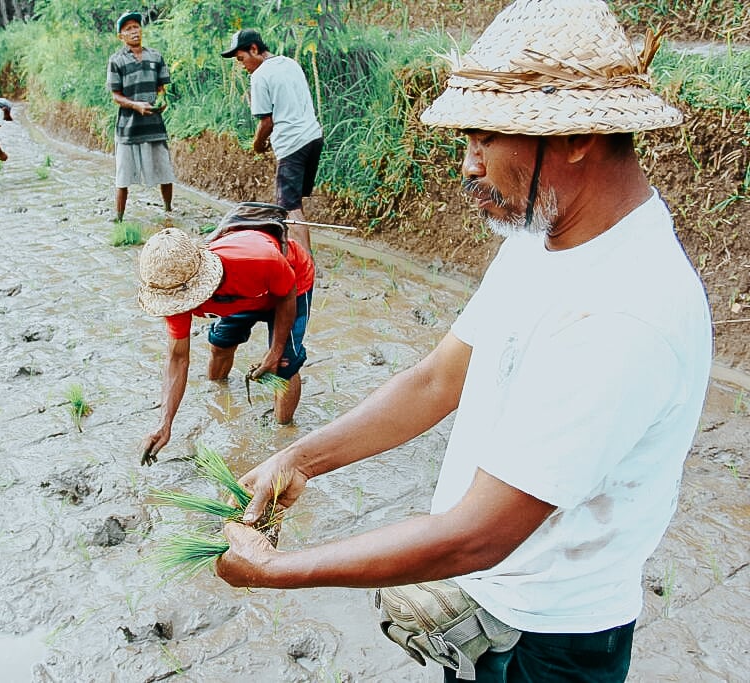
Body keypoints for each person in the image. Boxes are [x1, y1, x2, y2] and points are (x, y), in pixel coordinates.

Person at [213, 1, 713, 681]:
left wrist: (276, 570)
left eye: (484, 138)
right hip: (483, 604)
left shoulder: (627, 311)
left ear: (575, 137)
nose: (467, 165)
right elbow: (438, 379)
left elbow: (479, 531)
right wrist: (301, 458)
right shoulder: (546, 232)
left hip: (550, 641)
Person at [137, 204, 315, 465]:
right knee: (220, 345)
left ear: (200, 281)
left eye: (187, 299)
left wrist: (275, 351)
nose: (181, 305)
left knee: (285, 365)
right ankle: (219, 391)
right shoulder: (171, 289)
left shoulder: (256, 259)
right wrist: (165, 423)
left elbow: (287, 292)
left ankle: (284, 434)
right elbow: (177, 358)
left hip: (291, 284)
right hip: (241, 297)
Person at [222, 29, 323, 257]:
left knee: (289, 207)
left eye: (241, 58)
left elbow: (266, 122)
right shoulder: (290, 63)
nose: (242, 65)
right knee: (296, 202)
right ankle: (296, 252)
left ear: (254, 49)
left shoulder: (259, 75)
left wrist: (257, 144)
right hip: (314, 137)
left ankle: (306, 263)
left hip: (292, 145)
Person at [107, 10, 175, 223]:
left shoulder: (155, 56)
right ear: (121, 36)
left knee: (165, 170)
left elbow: (162, 87)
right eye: (128, 29)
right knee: (123, 175)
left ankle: (168, 210)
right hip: (128, 128)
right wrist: (135, 105)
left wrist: (162, 102)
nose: (134, 31)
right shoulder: (116, 60)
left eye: (136, 26)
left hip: (154, 124)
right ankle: (119, 217)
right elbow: (116, 96)